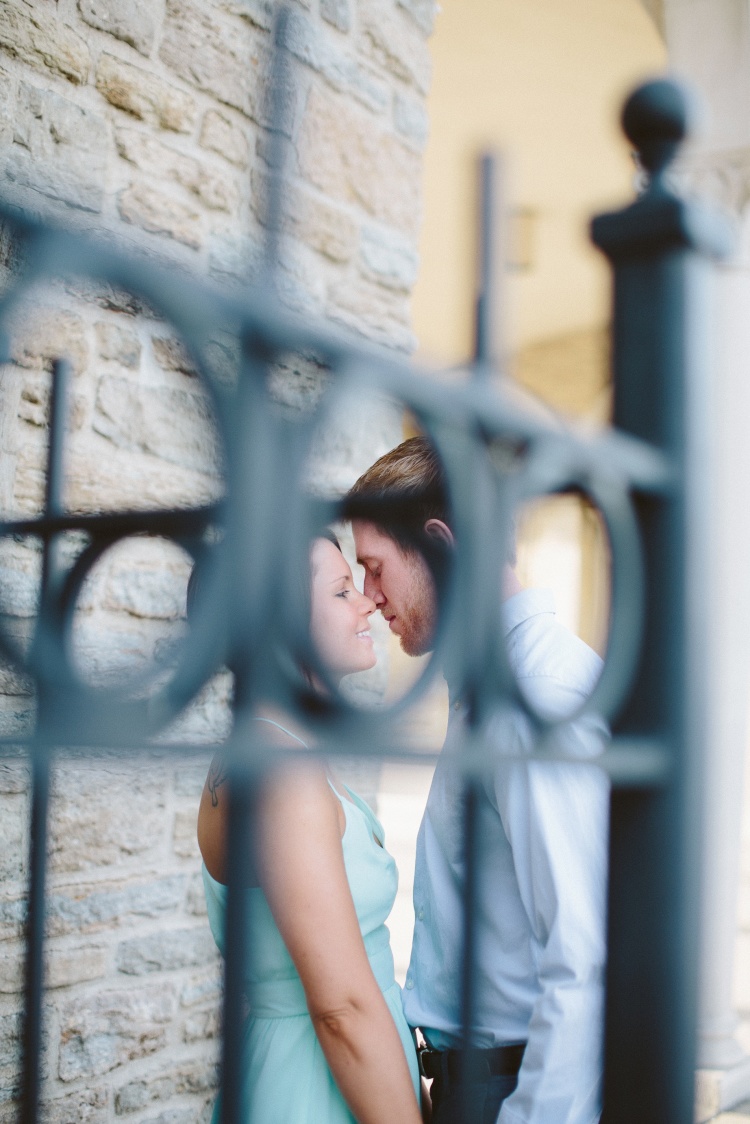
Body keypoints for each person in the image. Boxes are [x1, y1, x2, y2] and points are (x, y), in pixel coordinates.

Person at [347, 436, 609, 1124]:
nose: (369, 599)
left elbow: (582, 957)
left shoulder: (534, 695)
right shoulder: (491, 689)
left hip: (514, 1092)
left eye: (374, 569)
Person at [196, 533, 422, 1124]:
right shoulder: (283, 774)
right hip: (313, 1095)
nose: (368, 603)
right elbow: (342, 1011)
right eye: (344, 589)